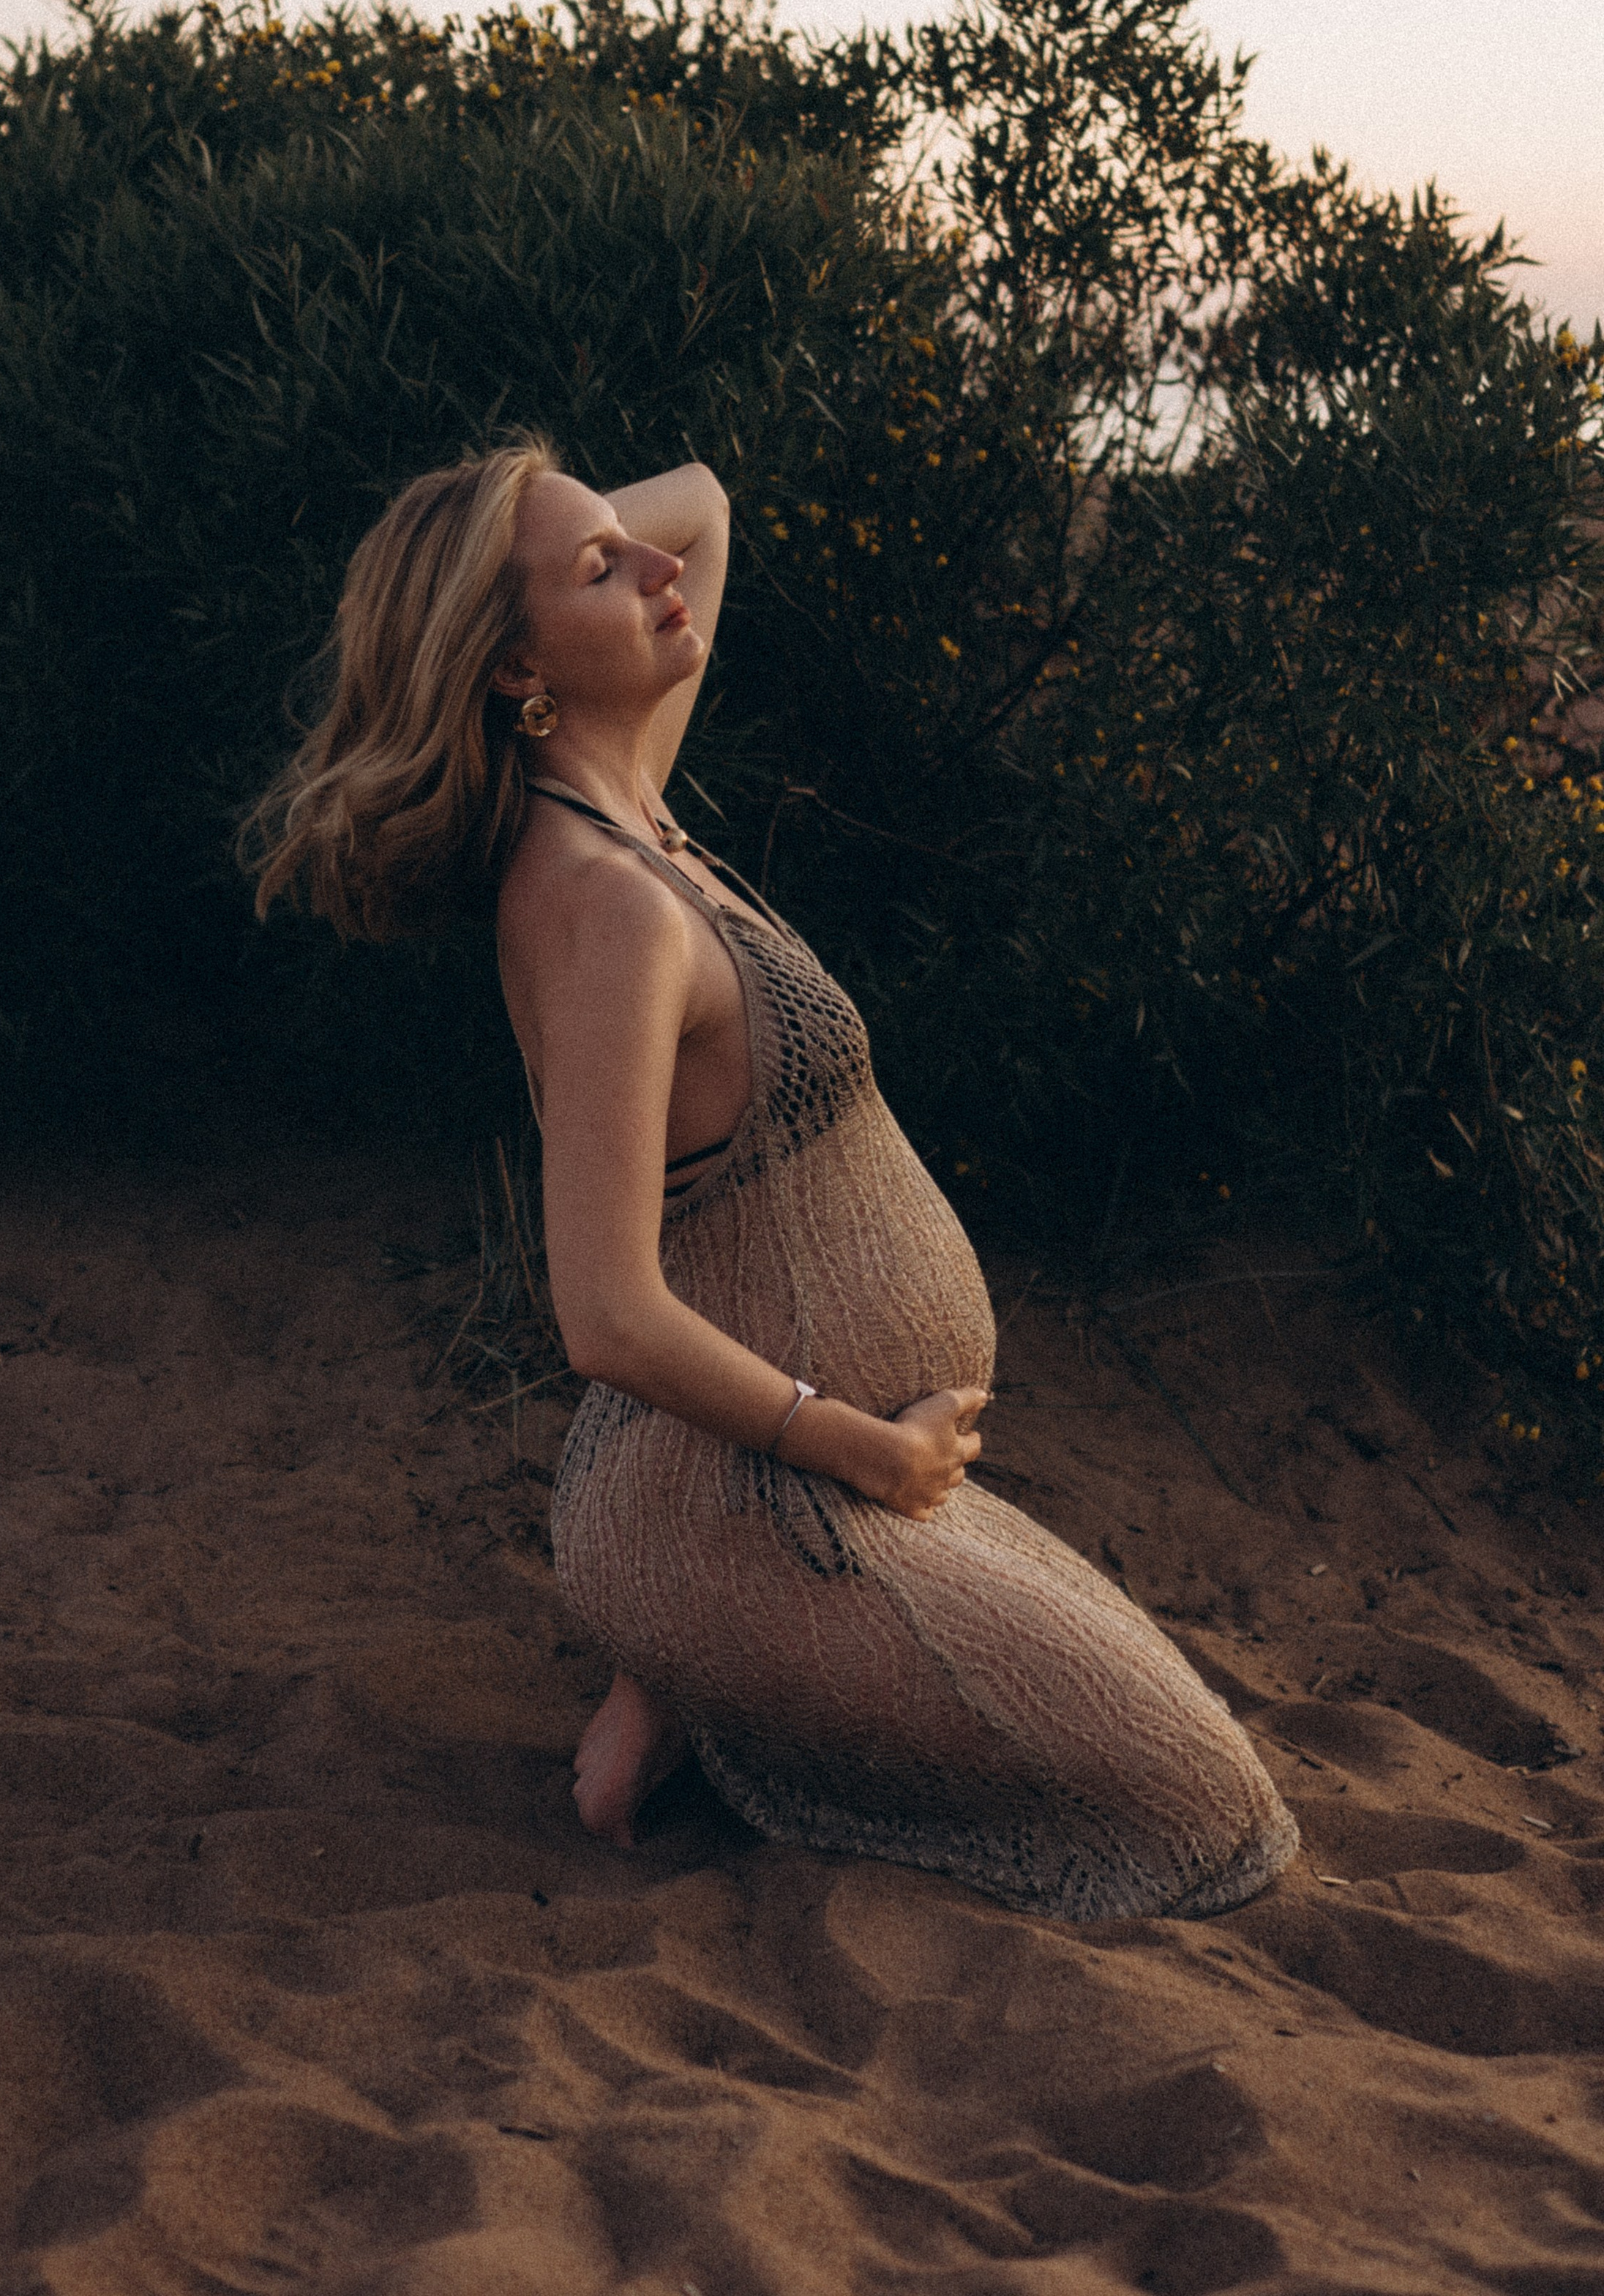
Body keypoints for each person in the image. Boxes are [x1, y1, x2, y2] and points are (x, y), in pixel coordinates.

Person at [248, 434, 1298, 1919]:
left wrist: (561, 529)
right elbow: (604, 1315)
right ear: (508, 666)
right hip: (748, 1500)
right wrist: (864, 1454)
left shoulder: (625, 799)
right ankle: (701, 1658)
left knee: (1169, 1750)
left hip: (781, 1482)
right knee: (1205, 1820)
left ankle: (684, 1687)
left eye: (632, 552)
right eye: (605, 573)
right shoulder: (607, 910)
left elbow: (706, 508)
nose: (659, 570)